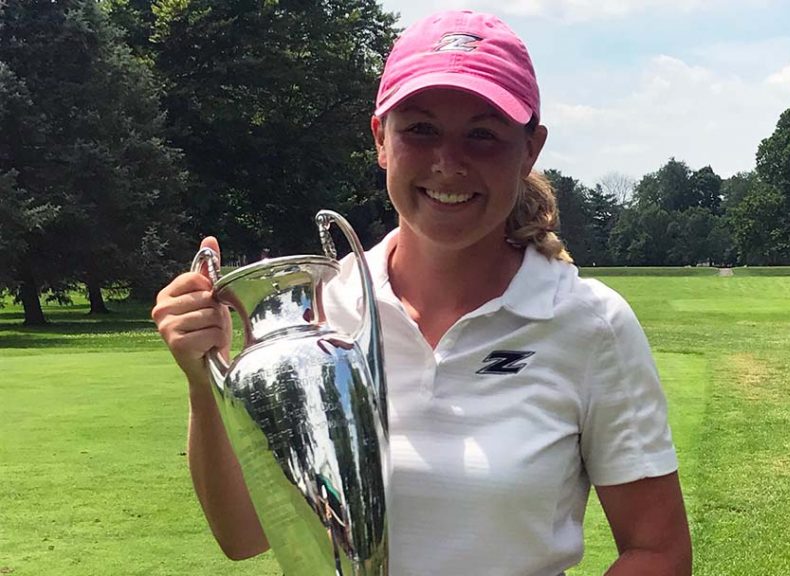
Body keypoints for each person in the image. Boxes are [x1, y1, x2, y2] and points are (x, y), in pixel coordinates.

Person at [151, 9, 692, 575]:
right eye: (421, 129)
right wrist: (202, 379)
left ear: (530, 149)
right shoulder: (325, 310)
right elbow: (246, 534)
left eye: (483, 134)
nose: (448, 163)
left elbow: (658, 551)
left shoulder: (589, 322)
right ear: (381, 139)